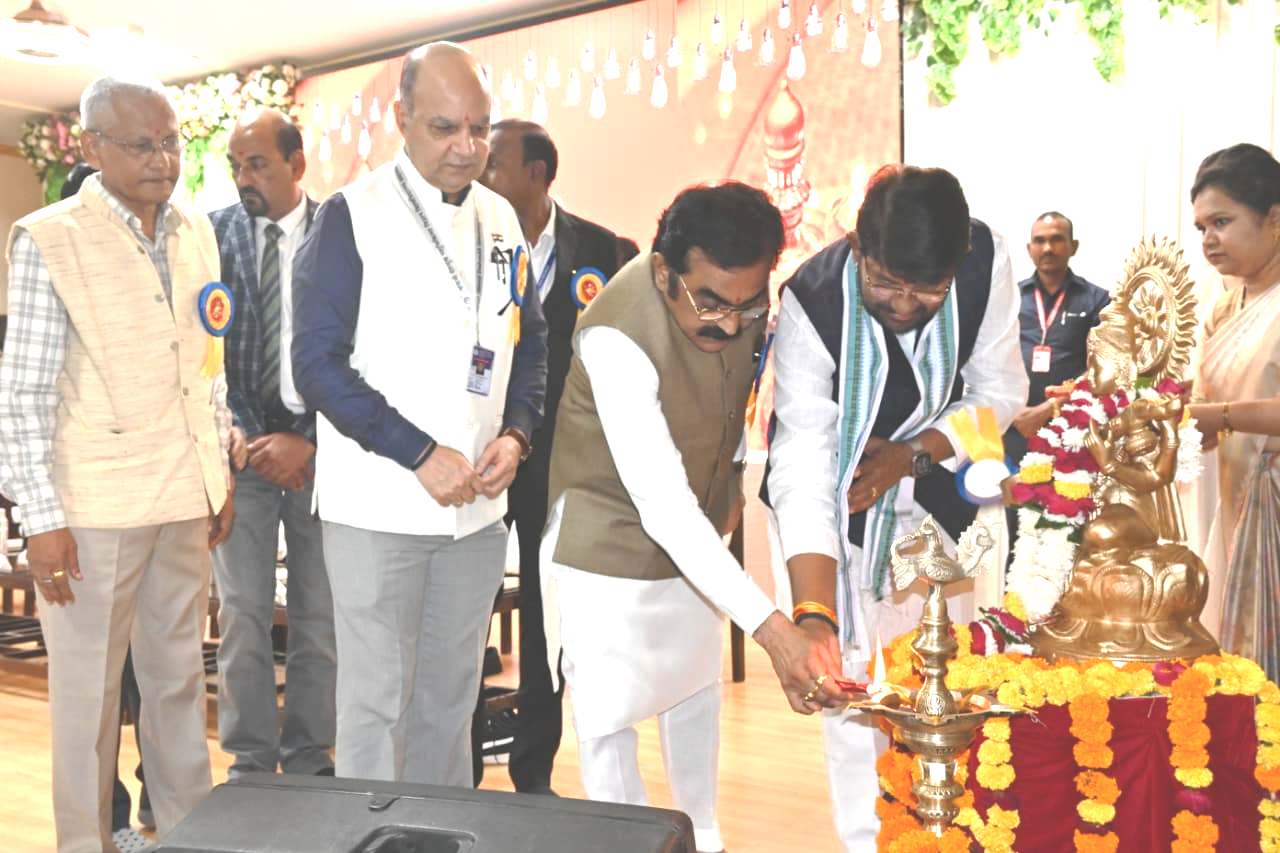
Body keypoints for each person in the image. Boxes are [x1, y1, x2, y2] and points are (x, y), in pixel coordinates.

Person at [542, 182, 847, 853]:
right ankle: (622, 844)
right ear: (663, 271)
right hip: (604, 546)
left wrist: (733, 471)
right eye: (710, 302)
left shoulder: (737, 305)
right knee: (608, 720)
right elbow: (661, 503)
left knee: (693, 696)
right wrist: (774, 629)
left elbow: (735, 397)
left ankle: (704, 838)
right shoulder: (616, 334)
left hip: (695, 536)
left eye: (747, 305)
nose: (729, 324)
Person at [291, 41, 547, 787]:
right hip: (378, 505)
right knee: (377, 705)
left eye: (479, 129)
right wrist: (418, 452)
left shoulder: (502, 219)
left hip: (476, 509)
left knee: (450, 701)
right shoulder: (350, 216)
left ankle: (439, 833)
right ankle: (372, 837)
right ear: (402, 119)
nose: (466, 147)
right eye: (444, 128)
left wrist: (517, 433)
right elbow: (316, 366)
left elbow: (529, 343)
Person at [0, 77, 234, 852]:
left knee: (178, 684)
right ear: (93, 146)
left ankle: (188, 836)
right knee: (88, 700)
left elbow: (209, 361)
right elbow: (22, 393)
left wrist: (218, 469)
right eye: (142, 145)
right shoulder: (50, 238)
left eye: (171, 142)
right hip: (92, 510)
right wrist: (40, 518)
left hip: (183, 494)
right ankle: (84, 843)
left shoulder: (196, 229)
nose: (163, 159)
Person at [766, 165, 1026, 848]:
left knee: (953, 691)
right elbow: (804, 459)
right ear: (858, 247)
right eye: (885, 283)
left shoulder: (985, 260)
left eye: (927, 290)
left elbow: (1001, 393)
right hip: (838, 522)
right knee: (855, 705)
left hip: (943, 506)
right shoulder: (812, 299)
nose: (905, 304)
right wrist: (814, 612)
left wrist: (912, 456)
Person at [478, 118, 623, 794]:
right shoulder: (474, 239)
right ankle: (462, 764)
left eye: (494, 163)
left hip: (560, 464)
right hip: (482, 459)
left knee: (546, 620)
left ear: (536, 174)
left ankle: (533, 769)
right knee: (468, 611)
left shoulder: (602, 250)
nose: (482, 174)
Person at [209, 108, 336, 780]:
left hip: (326, 457)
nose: (244, 178)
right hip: (244, 457)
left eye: (257, 164)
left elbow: (360, 351)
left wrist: (307, 440)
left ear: (296, 164)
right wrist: (239, 431)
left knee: (321, 614)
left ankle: (310, 754)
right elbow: (202, 352)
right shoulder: (213, 236)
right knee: (242, 615)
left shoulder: (339, 235)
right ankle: (251, 762)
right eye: (236, 165)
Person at [54, 161, 154, 853]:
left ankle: (149, 807)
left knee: (151, 681)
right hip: (86, 517)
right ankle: (103, 822)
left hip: (153, 508)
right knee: (94, 689)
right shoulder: (55, 278)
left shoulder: (145, 285)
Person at [1185, 143, 1280, 684]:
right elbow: (1206, 414)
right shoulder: (1225, 306)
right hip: (1233, 501)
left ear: (1274, 219)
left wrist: (1219, 416)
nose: (1208, 240)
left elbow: (1219, 413)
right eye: (1201, 227)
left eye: (1222, 222)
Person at [1005, 212, 1110, 460]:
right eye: (1039, 241)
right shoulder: (1009, 299)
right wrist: (1011, 412)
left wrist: (1050, 408)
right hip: (1015, 426)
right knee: (1013, 486)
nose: (1048, 248)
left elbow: (1104, 368)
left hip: (1073, 428)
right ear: (1029, 248)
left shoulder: (1098, 301)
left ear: (1074, 246)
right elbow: (992, 362)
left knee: (1070, 485)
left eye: (1057, 239)